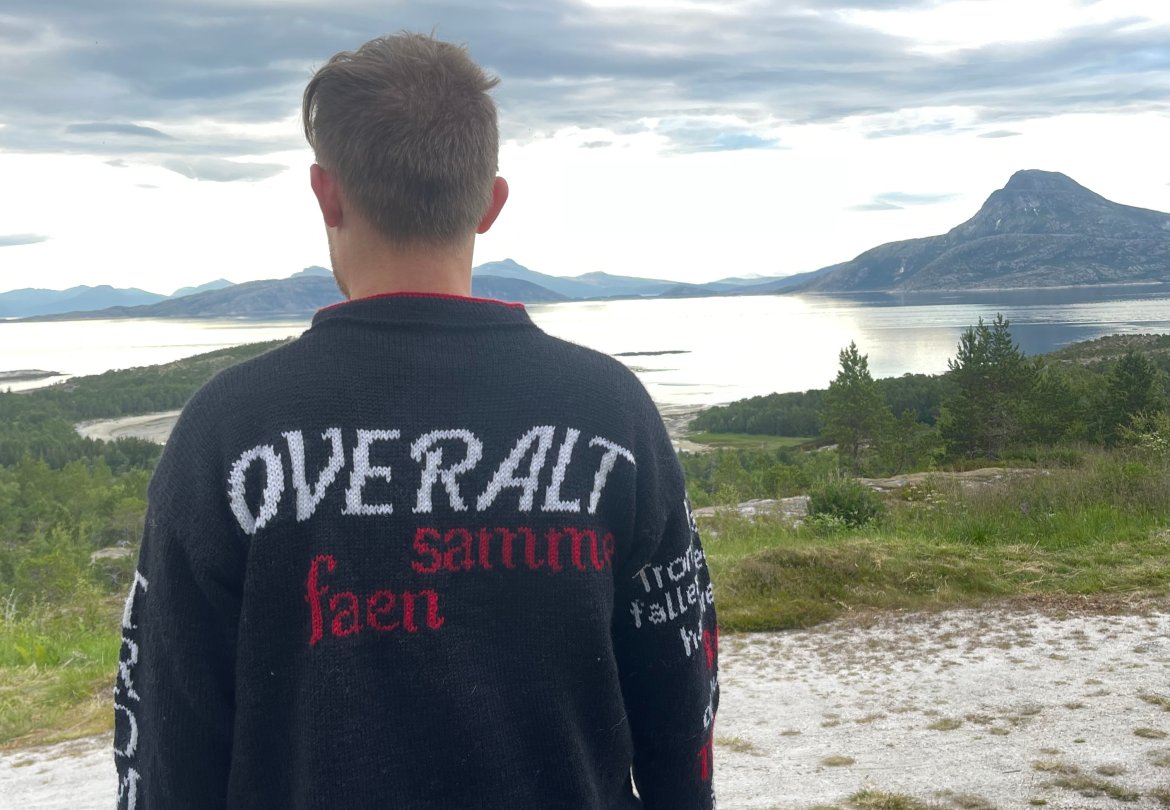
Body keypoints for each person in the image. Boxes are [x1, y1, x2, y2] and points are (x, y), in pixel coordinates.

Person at [113, 32, 718, 810]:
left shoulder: (227, 433)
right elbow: (681, 694)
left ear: (326, 194)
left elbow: (168, 737)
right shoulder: (610, 413)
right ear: (491, 202)